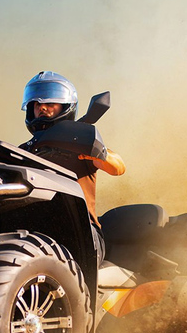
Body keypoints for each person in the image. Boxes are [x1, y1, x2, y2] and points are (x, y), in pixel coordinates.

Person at [19, 71, 125, 264]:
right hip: (34, 233)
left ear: (65, 107)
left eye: (50, 103)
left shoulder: (80, 142)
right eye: (37, 104)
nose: (42, 108)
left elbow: (118, 167)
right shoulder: (24, 151)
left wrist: (97, 152)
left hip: (82, 235)